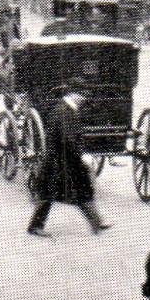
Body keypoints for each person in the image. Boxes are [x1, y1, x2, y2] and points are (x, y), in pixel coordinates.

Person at [27, 82, 110, 237]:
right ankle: (35, 227)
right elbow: (67, 137)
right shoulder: (64, 112)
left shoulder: (66, 109)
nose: (83, 99)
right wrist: (82, 154)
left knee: (80, 190)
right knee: (53, 195)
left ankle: (97, 222)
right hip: (59, 161)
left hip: (63, 159)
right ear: (72, 95)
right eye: (81, 95)